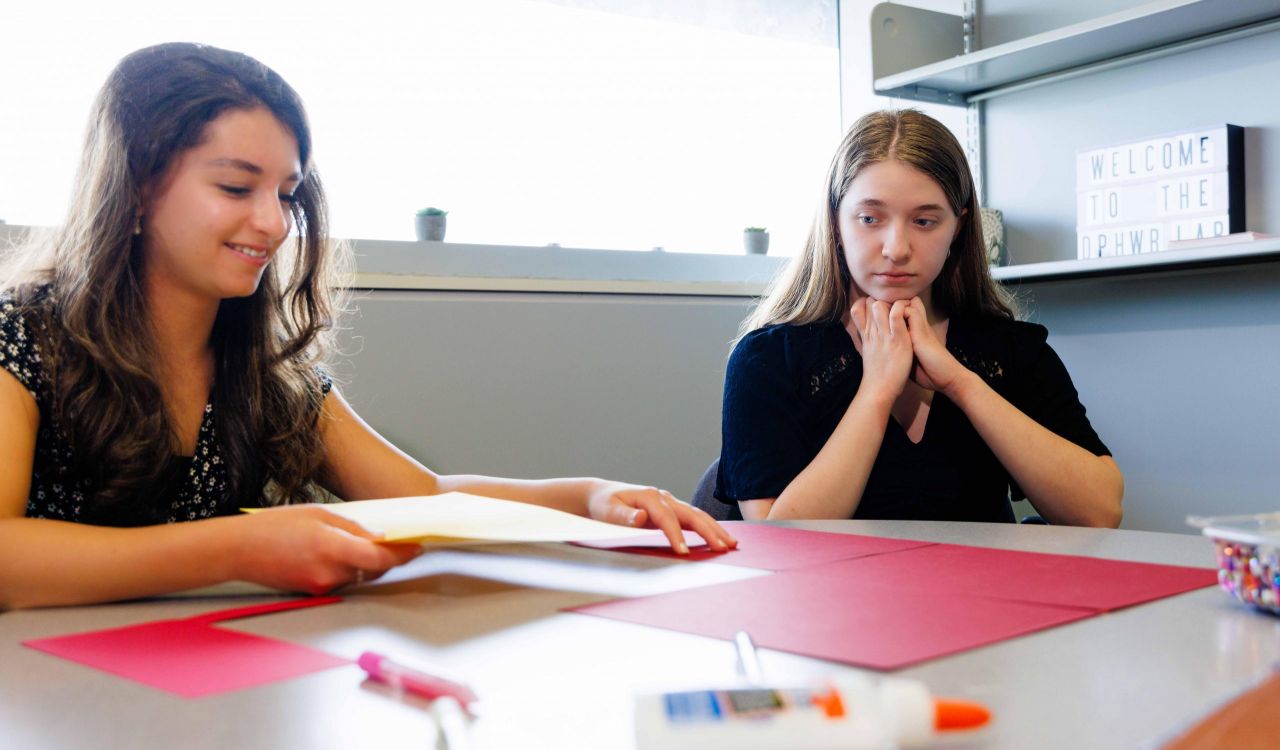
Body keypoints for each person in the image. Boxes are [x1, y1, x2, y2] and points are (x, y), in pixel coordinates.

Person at [0, 42, 735, 611]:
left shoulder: (266, 371)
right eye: (235, 186)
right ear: (133, 188)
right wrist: (237, 547)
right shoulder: (24, 340)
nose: (273, 222)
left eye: (286, 193)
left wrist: (588, 497)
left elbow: (423, 495)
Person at [716, 109, 1123, 526]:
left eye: (925, 221)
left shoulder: (1011, 349)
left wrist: (960, 382)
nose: (897, 248)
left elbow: (1100, 512)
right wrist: (876, 391)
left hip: (979, 589)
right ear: (836, 222)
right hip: (835, 592)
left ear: (959, 228)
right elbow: (779, 537)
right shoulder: (767, 358)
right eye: (870, 219)